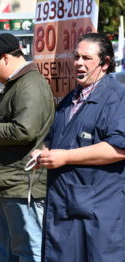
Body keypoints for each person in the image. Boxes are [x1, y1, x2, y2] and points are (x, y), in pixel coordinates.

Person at [32, 33, 125, 262]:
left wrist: (66, 157)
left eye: (86, 58)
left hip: (98, 214)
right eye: (76, 57)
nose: (78, 63)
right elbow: (55, 139)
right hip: (64, 209)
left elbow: (118, 149)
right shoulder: (70, 98)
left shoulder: (117, 98)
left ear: (104, 63)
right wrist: (43, 152)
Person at [0, 33, 54, 262]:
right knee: (6, 249)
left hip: (21, 184)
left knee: (28, 249)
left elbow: (25, 130)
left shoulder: (30, 84)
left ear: (5, 58)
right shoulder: (19, 84)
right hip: (9, 183)